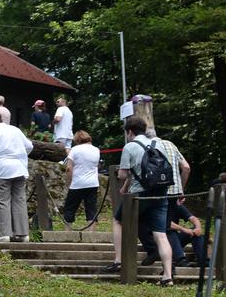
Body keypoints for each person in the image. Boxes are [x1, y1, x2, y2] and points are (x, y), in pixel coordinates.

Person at [109, 116, 191, 284]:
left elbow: (123, 174)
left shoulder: (130, 147)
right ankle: (167, 276)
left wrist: (123, 173)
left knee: (118, 221)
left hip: (139, 194)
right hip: (160, 192)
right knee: (160, 233)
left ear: (129, 132)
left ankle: (119, 260)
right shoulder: (158, 143)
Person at [0, 107, 34, 242]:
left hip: (1, 169)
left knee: (3, 201)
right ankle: (23, 233)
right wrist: (20, 156)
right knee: (20, 200)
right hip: (19, 168)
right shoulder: (15, 130)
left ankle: (6, 233)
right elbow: (29, 146)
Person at [61, 130, 102, 229]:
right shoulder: (96, 149)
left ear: (77, 139)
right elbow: (97, 166)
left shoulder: (75, 149)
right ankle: (91, 235)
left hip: (77, 183)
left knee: (70, 208)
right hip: (92, 183)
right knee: (91, 209)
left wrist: (69, 181)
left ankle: (67, 233)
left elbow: (69, 168)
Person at [166, 200, 206, 270]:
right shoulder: (160, 205)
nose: (184, 199)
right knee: (170, 231)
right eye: (181, 197)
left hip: (174, 242)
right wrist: (184, 230)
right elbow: (166, 223)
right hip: (161, 242)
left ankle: (203, 260)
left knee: (195, 231)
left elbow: (194, 218)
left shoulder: (177, 206)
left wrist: (198, 228)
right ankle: (181, 260)